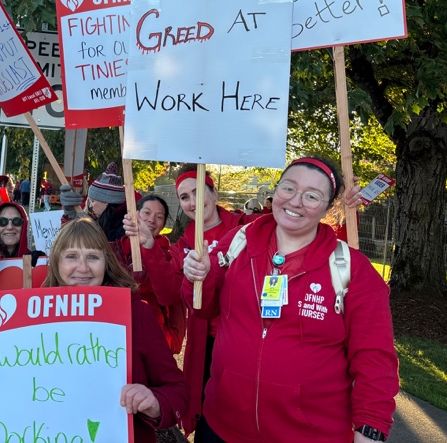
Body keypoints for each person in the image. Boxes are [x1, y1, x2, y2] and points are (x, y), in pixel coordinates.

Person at [182, 156, 398, 442]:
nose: (295, 201)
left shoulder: (352, 269)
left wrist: (370, 429)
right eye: (288, 188)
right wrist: (197, 277)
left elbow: (375, 358)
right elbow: (201, 307)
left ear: (328, 208)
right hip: (222, 427)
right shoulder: (238, 242)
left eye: (312, 196)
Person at [0, 217, 189, 443]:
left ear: (106, 263)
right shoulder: (26, 319)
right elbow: (7, 394)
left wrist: (154, 403)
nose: (82, 268)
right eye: (72, 256)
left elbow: (178, 391)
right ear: (57, 262)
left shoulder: (136, 314)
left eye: (93, 257)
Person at [122, 165, 244, 438]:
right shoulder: (182, 247)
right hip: (207, 345)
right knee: (209, 412)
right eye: (184, 197)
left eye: (196, 192)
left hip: (244, 338)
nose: (192, 202)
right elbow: (168, 295)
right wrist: (151, 248)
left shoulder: (245, 228)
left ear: (214, 193)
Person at [117, 195, 187, 353]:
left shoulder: (170, 256)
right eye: (146, 213)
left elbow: (169, 296)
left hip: (153, 338)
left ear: (163, 225)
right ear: (135, 214)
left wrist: (150, 248)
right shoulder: (115, 250)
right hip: (117, 334)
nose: (151, 220)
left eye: (159, 217)